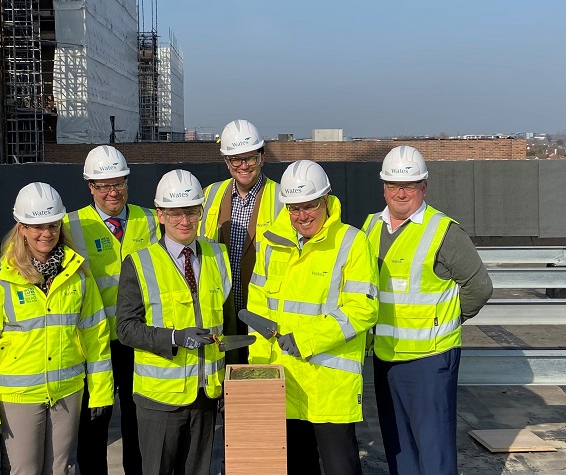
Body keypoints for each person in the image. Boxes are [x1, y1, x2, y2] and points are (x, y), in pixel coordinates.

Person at [0, 182, 113, 475]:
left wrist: (101, 393)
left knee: (62, 469)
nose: (47, 234)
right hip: (19, 398)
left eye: (53, 225)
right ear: (21, 228)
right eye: (37, 227)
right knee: (25, 470)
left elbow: (96, 336)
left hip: (67, 394)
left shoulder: (78, 277)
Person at [362, 146, 493, 475]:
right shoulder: (369, 228)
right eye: (393, 185)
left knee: (433, 452)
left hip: (429, 361)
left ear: (424, 186)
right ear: (384, 187)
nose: (401, 193)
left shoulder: (444, 232)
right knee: (398, 448)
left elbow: (479, 287)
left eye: (410, 185)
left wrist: (445, 320)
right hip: (386, 357)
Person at [247, 160, 379, 475]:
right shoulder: (271, 243)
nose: (302, 216)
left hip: (329, 386)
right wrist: (258, 373)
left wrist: (307, 339)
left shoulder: (352, 242)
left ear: (326, 199)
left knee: (340, 468)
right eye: (294, 209)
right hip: (285, 382)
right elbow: (258, 311)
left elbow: (364, 309)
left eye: (309, 207)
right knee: (295, 467)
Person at [116, 169, 232, 475]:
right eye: (176, 213)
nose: (185, 221)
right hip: (160, 399)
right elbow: (125, 328)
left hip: (206, 393)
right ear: (160, 215)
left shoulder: (218, 255)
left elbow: (227, 323)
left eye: (192, 211)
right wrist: (173, 338)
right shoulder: (139, 262)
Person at [65, 145, 160, 475]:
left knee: (139, 423)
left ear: (127, 182)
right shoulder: (70, 225)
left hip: (137, 341)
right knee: (93, 424)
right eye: (103, 186)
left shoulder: (151, 220)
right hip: (95, 344)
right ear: (90, 187)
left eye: (118, 183)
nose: (112, 192)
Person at [201, 119, 283, 349]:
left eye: (250, 157)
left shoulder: (282, 199)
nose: (243, 165)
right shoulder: (209, 195)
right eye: (236, 159)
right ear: (227, 162)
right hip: (221, 308)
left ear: (262, 157)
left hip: (265, 310)